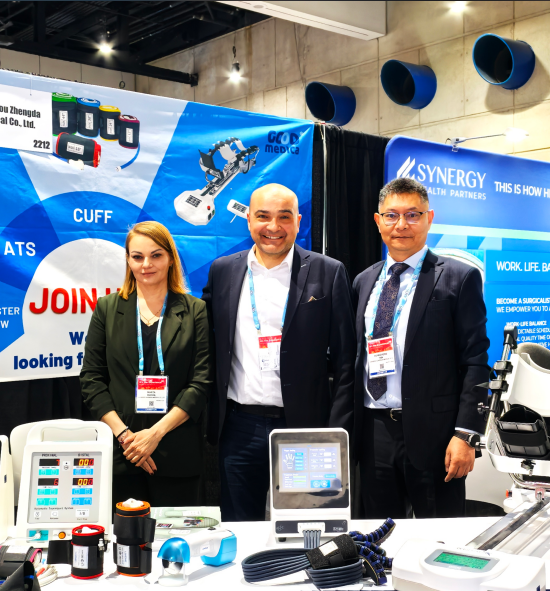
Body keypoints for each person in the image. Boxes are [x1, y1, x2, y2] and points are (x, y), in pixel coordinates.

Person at [202, 183, 357, 521]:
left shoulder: (328, 272)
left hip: (305, 428)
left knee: (307, 529)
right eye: (263, 216)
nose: (273, 227)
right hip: (239, 429)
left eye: (284, 217)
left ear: (298, 222)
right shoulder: (223, 271)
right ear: (248, 220)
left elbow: (347, 361)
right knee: (240, 527)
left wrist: (335, 434)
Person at [352, 177, 490, 519]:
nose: (401, 225)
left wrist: (466, 435)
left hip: (436, 436)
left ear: (429, 218)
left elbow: (475, 361)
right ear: (378, 221)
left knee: (439, 538)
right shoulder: (363, 281)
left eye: (412, 215)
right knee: (379, 535)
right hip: (374, 433)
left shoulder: (459, 277)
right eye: (391, 215)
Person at [80, 221, 212, 507]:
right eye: (137, 256)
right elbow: (92, 379)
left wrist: (154, 434)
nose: (146, 264)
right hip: (123, 453)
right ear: (128, 260)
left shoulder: (195, 310)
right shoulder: (107, 308)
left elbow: (200, 383)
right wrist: (126, 437)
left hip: (176, 450)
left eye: (156, 255)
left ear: (171, 259)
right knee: (126, 535)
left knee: (175, 535)